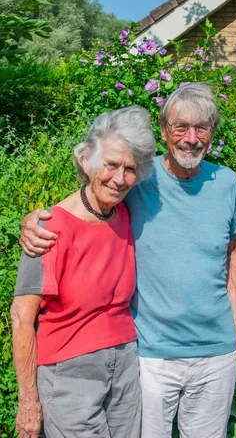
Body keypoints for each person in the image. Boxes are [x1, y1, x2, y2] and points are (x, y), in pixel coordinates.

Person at [20, 83, 236, 438]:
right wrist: (36, 219)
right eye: (180, 127)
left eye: (202, 127)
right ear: (164, 129)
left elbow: (235, 245)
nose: (191, 137)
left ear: (213, 132)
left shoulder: (226, 182)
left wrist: (233, 313)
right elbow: (90, 197)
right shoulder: (141, 177)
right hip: (151, 352)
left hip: (210, 352)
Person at [10, 106, 157, 438]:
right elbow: (22, 316)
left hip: (125, 367)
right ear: (87, 160)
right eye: (111, 165)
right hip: (69, 374)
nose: (119, 179)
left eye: (130, 169)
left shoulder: (124, 213)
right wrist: (28, 402)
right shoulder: (49, 228)